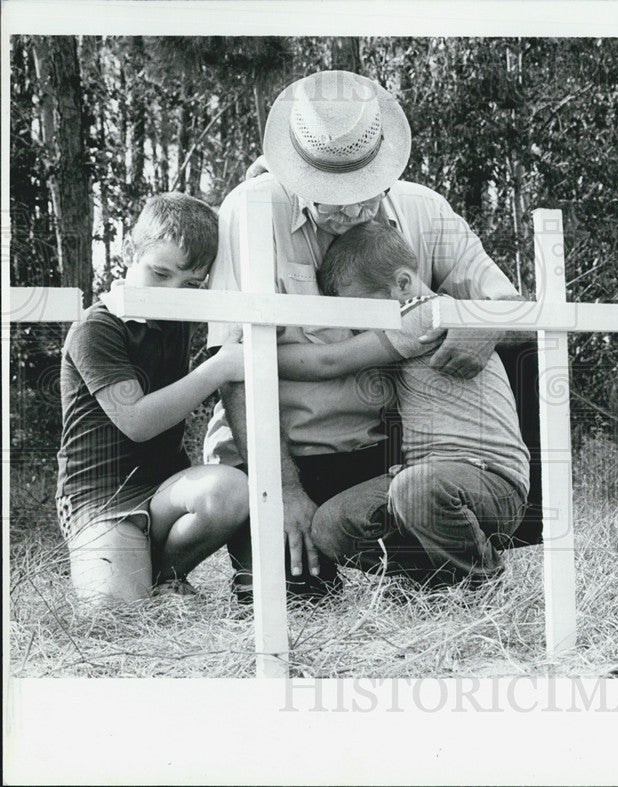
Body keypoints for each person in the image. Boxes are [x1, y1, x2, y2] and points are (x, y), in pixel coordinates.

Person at [202, 70, 523, 597]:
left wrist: (480, 322)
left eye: (364, 190)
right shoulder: (249, 209)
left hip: (388, 457)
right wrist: (280, 488)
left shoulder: (424, 208)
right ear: (294, 169)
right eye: (331, 194)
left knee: (431, 568)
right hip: (282, 453)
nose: (351, 209)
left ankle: (459, 569)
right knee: (298, 606)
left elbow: (511, 306)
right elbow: (233, 368)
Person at [273, 221, 529, 586]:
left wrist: (249, 353)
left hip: (492, 480)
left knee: (416, 488)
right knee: (330, 525)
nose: (361, 328)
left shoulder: (425, 314)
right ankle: (436, 578)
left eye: (363, 313)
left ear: (403, 284)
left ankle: (482, 582)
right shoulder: (420, 316)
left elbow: (329, 362)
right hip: (433, 480)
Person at [56, 193, 249, 606]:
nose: (172, 293)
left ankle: (166, 577)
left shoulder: (177, 314)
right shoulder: (97, 327)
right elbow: (136, 421)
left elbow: (240, 238)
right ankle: (126, 568)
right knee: (113, 615)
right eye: (159, 273)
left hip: (164, 488)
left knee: (231, 490)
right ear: (129, 250)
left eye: (191, 285)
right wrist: (218, 368)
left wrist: (267, 176)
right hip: (101, 495)